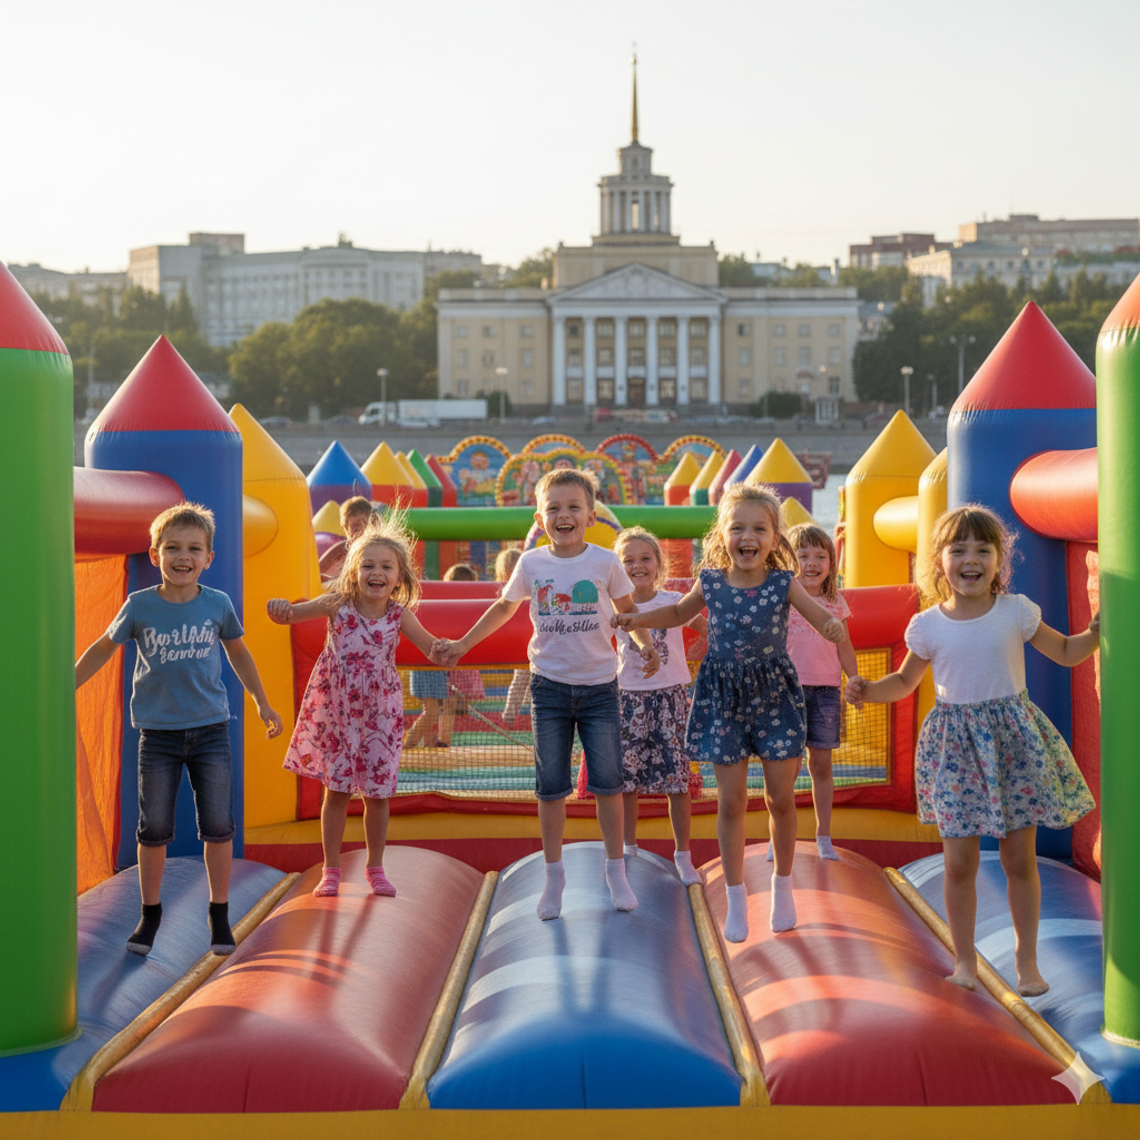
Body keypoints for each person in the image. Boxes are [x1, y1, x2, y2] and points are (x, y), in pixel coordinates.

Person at [846, 505, 1098, 996]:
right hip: (955, 746)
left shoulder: (1015, 611)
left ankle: (1027, 962)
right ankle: (964, 961)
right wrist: (868, 691)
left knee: (1018, 860)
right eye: (957, 549)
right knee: (958, 862)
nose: (971, 559)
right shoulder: (928, 625)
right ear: (939, 560)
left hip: (1011, 741)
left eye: (983, 549)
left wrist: (1096, 633)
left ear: (999, 560)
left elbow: (1066, 653)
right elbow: (904, 682)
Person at [612, 484, 850, 941]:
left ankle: (783, 887)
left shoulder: (784, 582)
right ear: (722, 534)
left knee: (780, 799)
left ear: (774, 538)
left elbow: (818, 616)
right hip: (723, 695)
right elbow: (679, 613)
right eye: (738, 526)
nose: (748, 535)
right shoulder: (713, 581)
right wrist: (638, 619)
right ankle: (737, 897)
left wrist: (831, 625)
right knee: (731, 800)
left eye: (759, 528)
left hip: (775, 694)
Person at [434, 469, 660, 920]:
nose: (564, 515)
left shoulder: (604, 562)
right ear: (540, 518)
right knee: (550, 787)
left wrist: (646, 644)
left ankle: (615, 868)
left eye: (573, 507)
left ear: (591, 515)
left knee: (609, 784)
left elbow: (628, 610)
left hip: (599, 686)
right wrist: (461, 645)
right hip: (550, 687)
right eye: (554, 508)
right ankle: (553, 874)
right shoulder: (532, 563)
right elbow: (503, 606)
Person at [75, 503, 283, 957]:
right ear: (155, 555)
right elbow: (102, 648)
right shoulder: (140, 606)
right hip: (159, 736)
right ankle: (150, 913)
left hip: (210, 730)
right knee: (154, 829)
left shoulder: (217, 604)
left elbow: (239, 654)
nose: (182, 556)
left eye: (193, 548)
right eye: (172, 548)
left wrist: (261, 701)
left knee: (217, 825)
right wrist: (66, 682)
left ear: (208, 557)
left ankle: (219, 911)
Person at [267, 515, 440, 899]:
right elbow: (295, 614)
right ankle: (331, 869)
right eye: (368, 565)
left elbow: (430, 647)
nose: (376, 572)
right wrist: (280, 609)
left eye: (386, 567)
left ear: (399, 577)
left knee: (377, 795)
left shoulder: (399, 614)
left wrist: (449, 649)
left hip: (380, 712)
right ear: (354, 570)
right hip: (338, 710)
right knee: (337, 791)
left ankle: (375, 867)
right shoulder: (338, 604)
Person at [612, 526, 707, 885]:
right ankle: (629, 849)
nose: (637, 566)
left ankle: (683, 855)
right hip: (629, 697)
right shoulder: (615, 605)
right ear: (618, 570)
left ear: (658, 563)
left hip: (671, 698)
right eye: (628, 561)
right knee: (627, 780)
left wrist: (700, 648)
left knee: (677, 780)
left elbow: (702, 626)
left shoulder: (672, 601)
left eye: (645, 558)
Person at [781, 523, 861, 861]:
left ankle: (823, 835)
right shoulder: (784, 598)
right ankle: (780, 835)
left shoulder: (835, 602)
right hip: (787, 690)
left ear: (831, 562)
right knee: (785, 766)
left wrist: (854, 681)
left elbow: (845, 647)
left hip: (826, 692)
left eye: (820, 556)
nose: (811, 562)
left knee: (821, 765)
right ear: (789, 560)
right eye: (803, 555)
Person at [404, 563, 483, 749]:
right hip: (427, 663)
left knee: (437, 708)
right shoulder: (435, 607)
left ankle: (433, 743)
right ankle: (407, 747)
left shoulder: (447, 608)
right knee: (431, 711)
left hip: (435, 665)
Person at [494, 546, 530, 725]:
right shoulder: (507, 590)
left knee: (525, 677)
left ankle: (512, 713)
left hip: (529, 639)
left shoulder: (526, 586)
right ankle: (509, 714)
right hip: (521, 641)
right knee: (521, 677)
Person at [318, 496, 377, 581]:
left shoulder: (378, 550)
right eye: (355, 529)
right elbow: (315, 572)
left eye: (365, 526)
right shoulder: (341, 550)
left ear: (373, 524)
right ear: (346, 530)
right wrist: (326, 579)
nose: (361, 532)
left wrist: (333, 580)